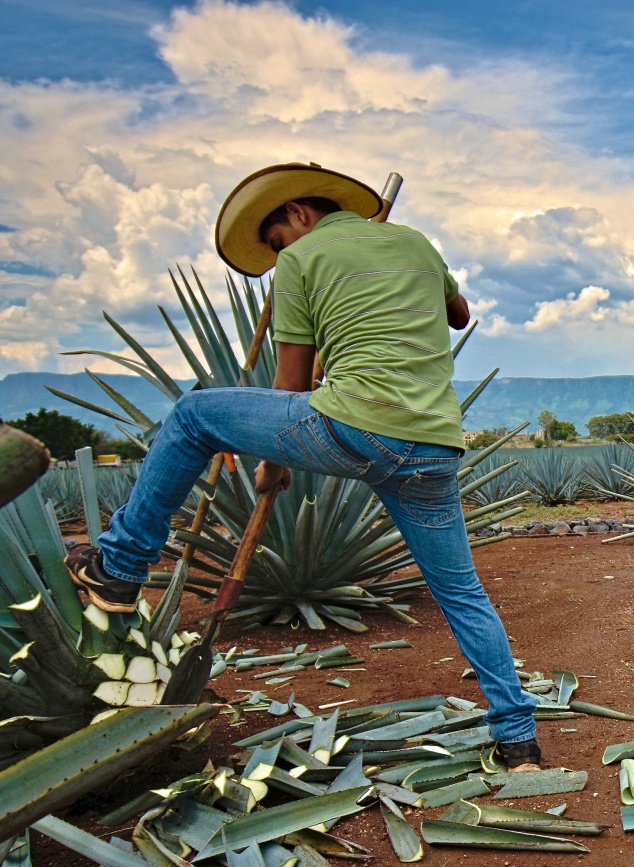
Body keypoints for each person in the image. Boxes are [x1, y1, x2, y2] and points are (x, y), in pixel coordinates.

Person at [65, 161, 540, 771]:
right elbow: (459, 315)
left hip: (355, 429)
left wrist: (275, 467)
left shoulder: (300, 260)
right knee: (460, 591)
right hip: (432, 448)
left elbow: (290, 386)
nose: (280, 253)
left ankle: (119, 565)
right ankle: (518, 738)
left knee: (192, 415)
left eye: (278, 242)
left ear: (296, 213)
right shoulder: (416, 242)